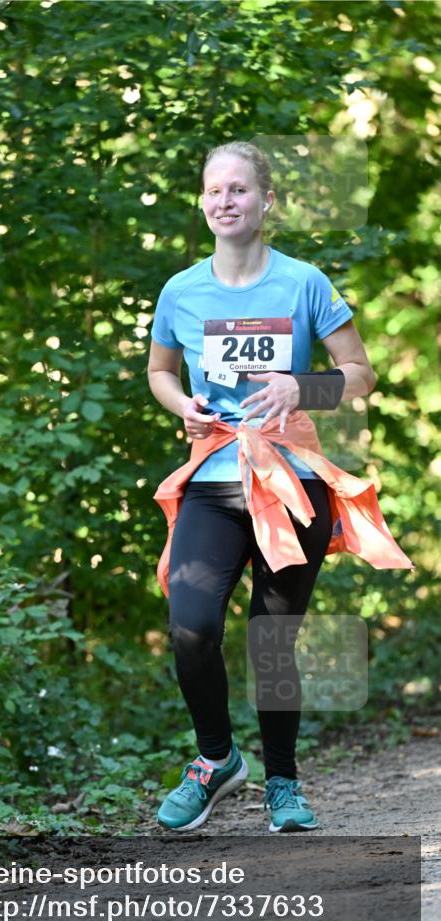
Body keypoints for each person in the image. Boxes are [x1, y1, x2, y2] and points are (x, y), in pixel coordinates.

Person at [147, 140, 412, 834]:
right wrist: (182, 406)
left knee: (272, 638)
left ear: (267, 201)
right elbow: (159, 373)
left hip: (291, 481)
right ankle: (215, 761)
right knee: (190, 622)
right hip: (212, 477)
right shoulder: (180, 290)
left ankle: (284, 785)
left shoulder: (305, 283)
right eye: (212, 190)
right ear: (201, 202)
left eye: (238, 189)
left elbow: (361, 373)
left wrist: (303, 385)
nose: (224, 201)